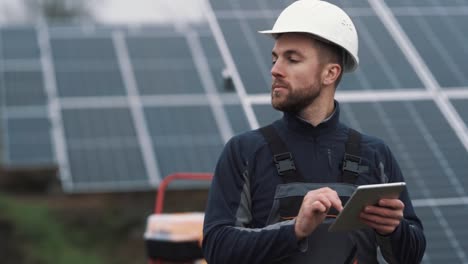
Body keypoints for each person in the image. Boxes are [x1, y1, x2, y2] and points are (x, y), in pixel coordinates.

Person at [202, 0, 426, 263]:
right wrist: (295, 229)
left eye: (292, 59)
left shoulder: (375, 154)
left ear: (330, 73)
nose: (275, 70)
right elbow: (217, 248)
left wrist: (393, 230)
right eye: (275, 58)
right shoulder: (244, 151)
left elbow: (410, 255)